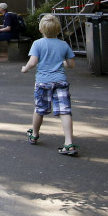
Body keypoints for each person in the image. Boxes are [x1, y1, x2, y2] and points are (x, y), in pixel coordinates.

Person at [21, 13, 77, 156]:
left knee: (40, 108)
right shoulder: (63, 44)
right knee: (65, 111)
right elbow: (71, 64)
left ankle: (34, 134)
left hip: (43, 82)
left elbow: (33, 62)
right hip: (61, 81)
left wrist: (25, 69)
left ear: (41, 30)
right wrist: (62, 62)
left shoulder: (37, 44)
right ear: (58, 30)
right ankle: (69, 143)